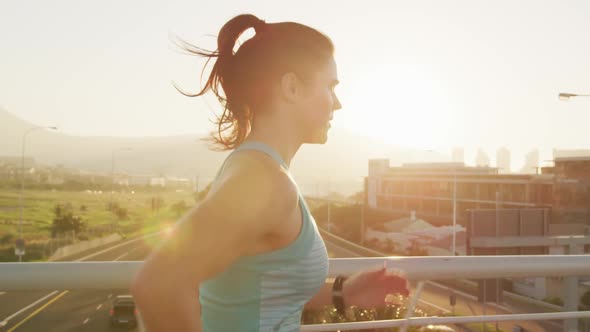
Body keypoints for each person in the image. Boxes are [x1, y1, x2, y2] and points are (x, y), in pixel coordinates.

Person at [131, 13, 410, 332]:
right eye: (330, 87)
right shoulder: (264, 181)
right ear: (291, 87)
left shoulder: (255, 169)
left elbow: (258, 293)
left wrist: (343, 292)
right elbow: (158, 285)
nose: (338, 103)